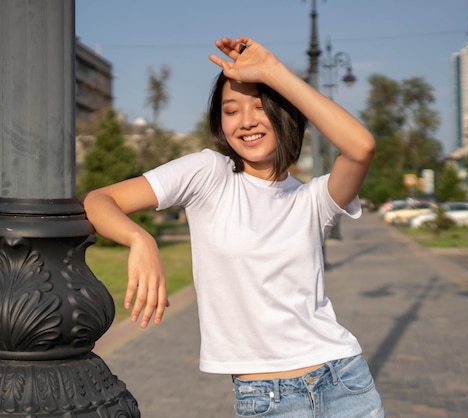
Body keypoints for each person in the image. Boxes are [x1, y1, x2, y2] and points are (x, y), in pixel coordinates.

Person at [82, 36, 385, 417]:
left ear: (285, 114)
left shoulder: (314, 200)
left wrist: (273, 71)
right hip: (265, 398)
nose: (246, 121)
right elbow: (98, 200)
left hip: (344, 382)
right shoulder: (209, 174)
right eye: (231, 110)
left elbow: (361, 147)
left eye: (260, 107)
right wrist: (139, 240)